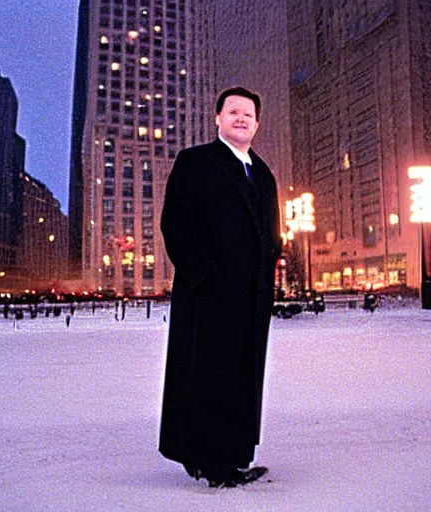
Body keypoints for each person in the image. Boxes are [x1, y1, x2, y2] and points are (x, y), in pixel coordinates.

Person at [159, 86, 282, 488]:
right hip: (209, 296)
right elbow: (175, 224)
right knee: (207, 375)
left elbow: (273, 235)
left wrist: (267, 279)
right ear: (218, 119)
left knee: (243, 376)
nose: (241, 119)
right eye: (233, 112)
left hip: (251, 298)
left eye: (248, 114)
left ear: (258, 123)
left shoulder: (262, 173)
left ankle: (235, 455)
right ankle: (211, 462)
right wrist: (203, 275)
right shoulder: (196, 162)